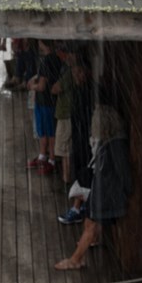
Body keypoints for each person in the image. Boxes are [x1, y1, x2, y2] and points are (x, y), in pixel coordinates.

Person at [55, 104, 131, 271]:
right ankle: (80, 256)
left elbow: (123, 173)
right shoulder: (110, 142)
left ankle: (75, 260)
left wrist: (122, 192)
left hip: (106, 194)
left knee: (90, 225)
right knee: (90, 223)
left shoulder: (117, 146)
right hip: (102, 191)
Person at [51, 44, 94, 195]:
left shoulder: (71, 74)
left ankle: (66, 179)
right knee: (69, 149)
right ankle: (69, 178)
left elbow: (55, 89)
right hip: (75, 118)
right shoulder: (79, 76)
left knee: (64, 150)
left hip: (68, 116)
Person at [26, 39, 61, 175]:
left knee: (46, 131)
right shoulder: (56, 59)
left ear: (43, 43)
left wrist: (31, 86)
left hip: (45, 101)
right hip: (50, 101)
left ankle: (49, 159)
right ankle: (44, 157)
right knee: (49, 130)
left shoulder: (46, 61)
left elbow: (41, 86)